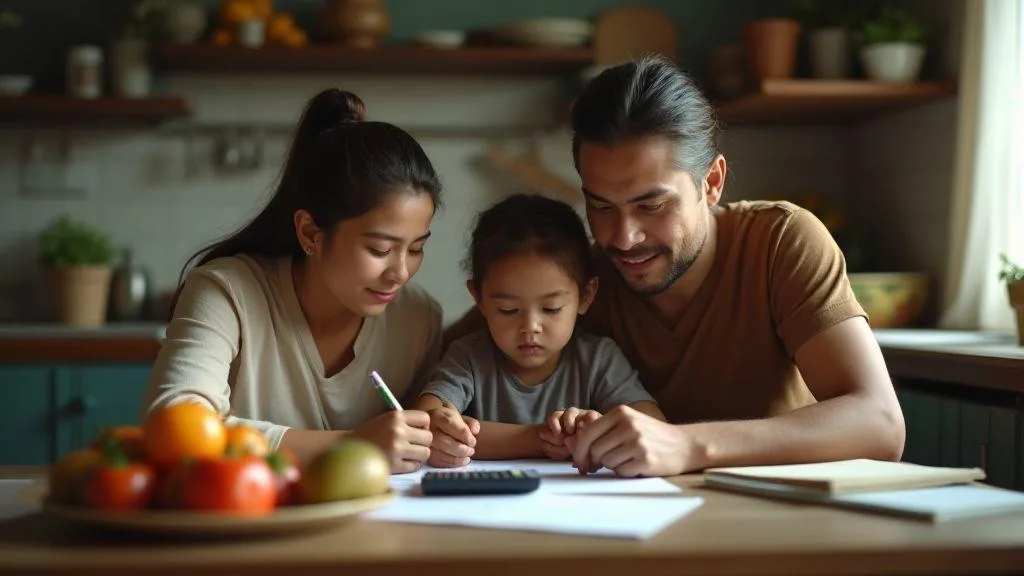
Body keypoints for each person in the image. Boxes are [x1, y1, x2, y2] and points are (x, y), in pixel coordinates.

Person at [446, 55, 905, 478]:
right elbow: (441, 363)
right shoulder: (578, 279)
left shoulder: (780, 242)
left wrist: (686, 445)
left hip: (775, 517)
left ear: (712, 182)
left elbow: (881, 424)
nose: (623, 238)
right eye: (601, 207)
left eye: (651, 206)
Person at [142, 88, 443, 472]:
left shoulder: (417, 318)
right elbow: (171, 423)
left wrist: (441, 429)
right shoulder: (225, 292)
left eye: (416, 248)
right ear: (310, 233)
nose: (400, 273)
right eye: (380, 249)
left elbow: (420, 431)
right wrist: (353, 444)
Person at [414, 194, 664, 467]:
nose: (530, 327)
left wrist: (592, 428)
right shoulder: (468, 358)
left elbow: (654, 428)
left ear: (585, 296)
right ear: (479, 299)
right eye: (508, 310)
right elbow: (427, 421)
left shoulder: (598, 359)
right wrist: (540, 438)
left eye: (551, 308)